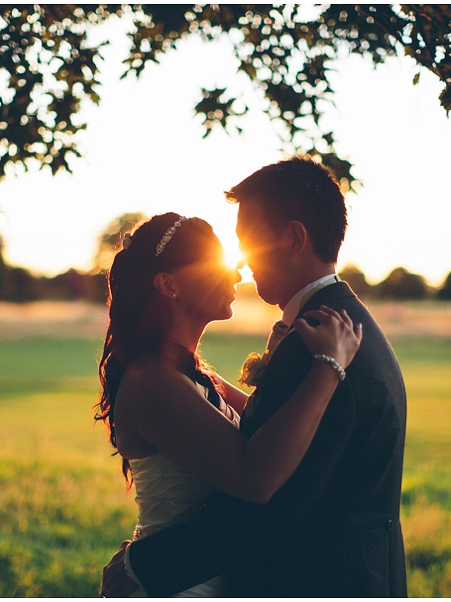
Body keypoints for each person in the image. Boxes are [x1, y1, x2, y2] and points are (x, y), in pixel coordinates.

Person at [102, 157, 408, 597]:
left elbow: (263, 460)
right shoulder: (154, 381)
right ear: (169, 285)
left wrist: (315, 364)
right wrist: (142, 567)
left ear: (294, 237)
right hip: (185, 583)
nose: (239, 268)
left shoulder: (307, 346)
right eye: (217, 260)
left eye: (244, 245)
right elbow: (256, 476)